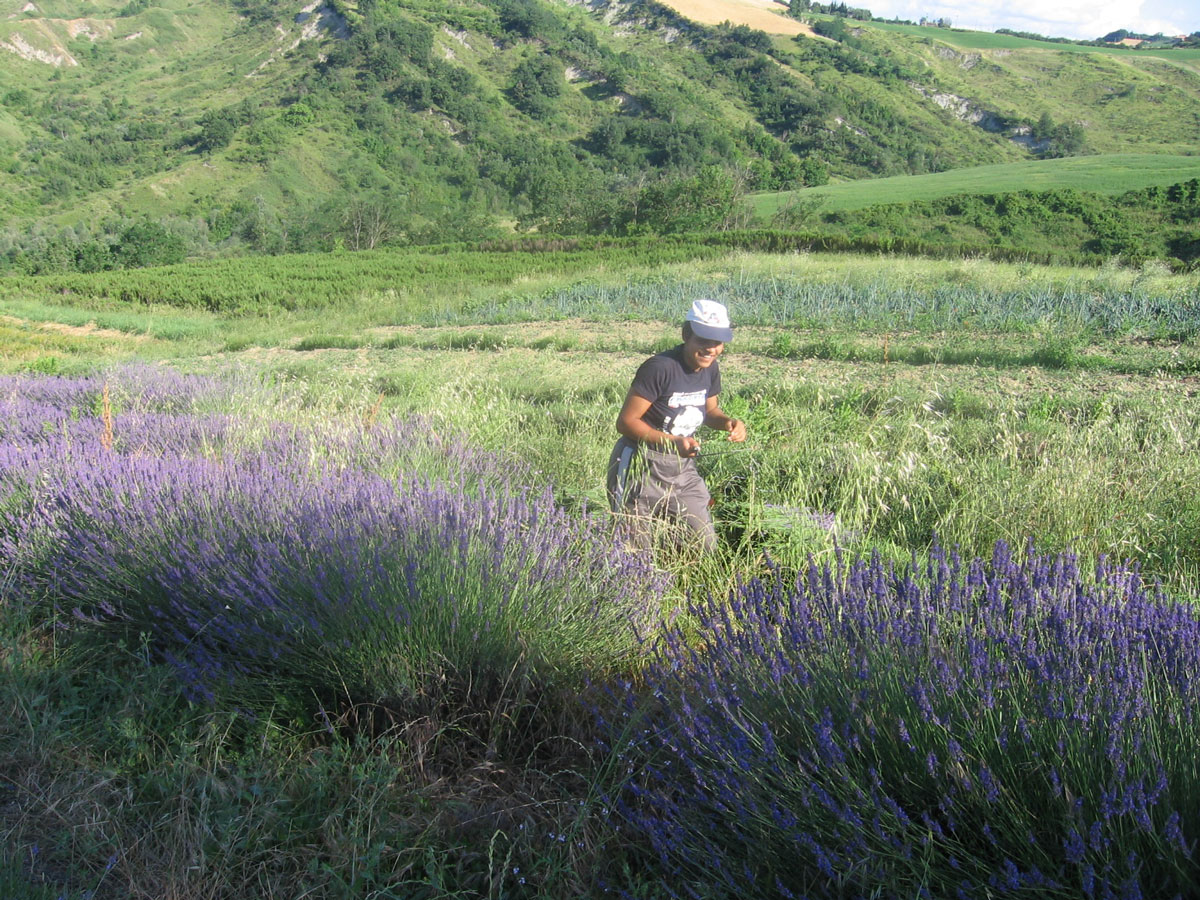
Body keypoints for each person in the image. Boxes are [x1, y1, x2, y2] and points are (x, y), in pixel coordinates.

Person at [606, 298, 747, 552]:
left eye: (717, 343)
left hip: (682, 468)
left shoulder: (710, 369)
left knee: (703, 543)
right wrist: (673, 442)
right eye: (703, 340)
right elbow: (626, 422)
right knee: (634, 554)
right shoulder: (659, 368)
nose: (710, 349)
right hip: (641, 466)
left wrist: (730, 422)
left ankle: (683, 586)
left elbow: (710, 410)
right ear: (686, 334)